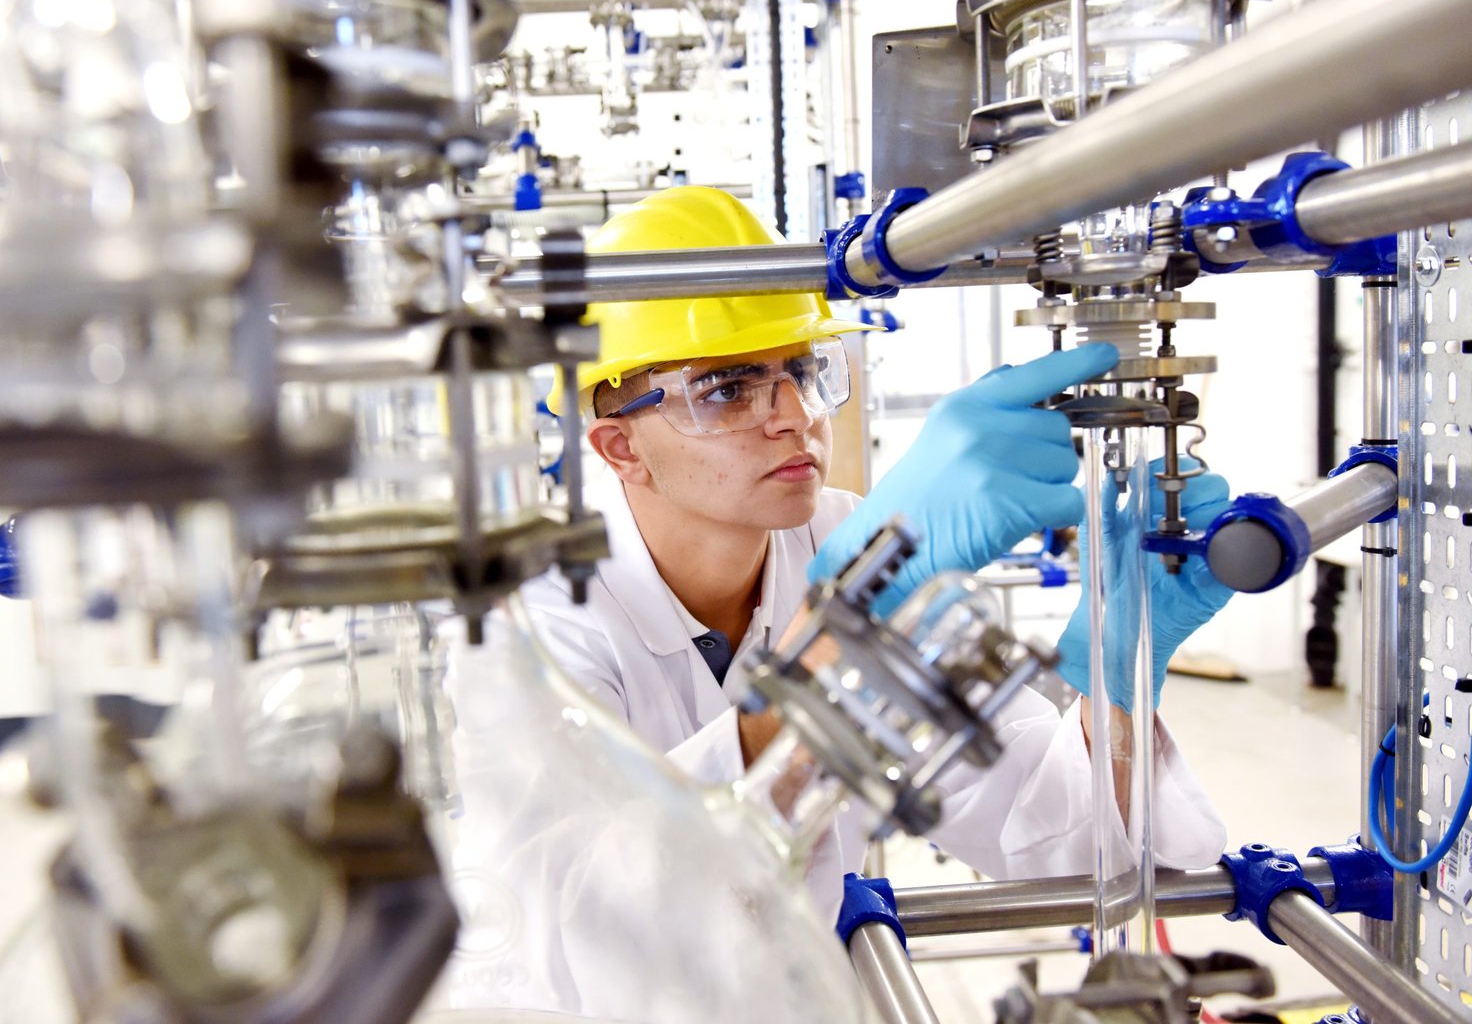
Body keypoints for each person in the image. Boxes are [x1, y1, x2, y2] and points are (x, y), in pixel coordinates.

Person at [521, 185, 1232, 917]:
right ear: (620, 447)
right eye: (727, 389)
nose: (796, 418)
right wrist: (846, 630)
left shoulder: (841, 541)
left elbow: (1053, 835)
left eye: (802, 372)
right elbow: (585, 916)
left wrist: (1119, 665)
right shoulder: (531, 618)